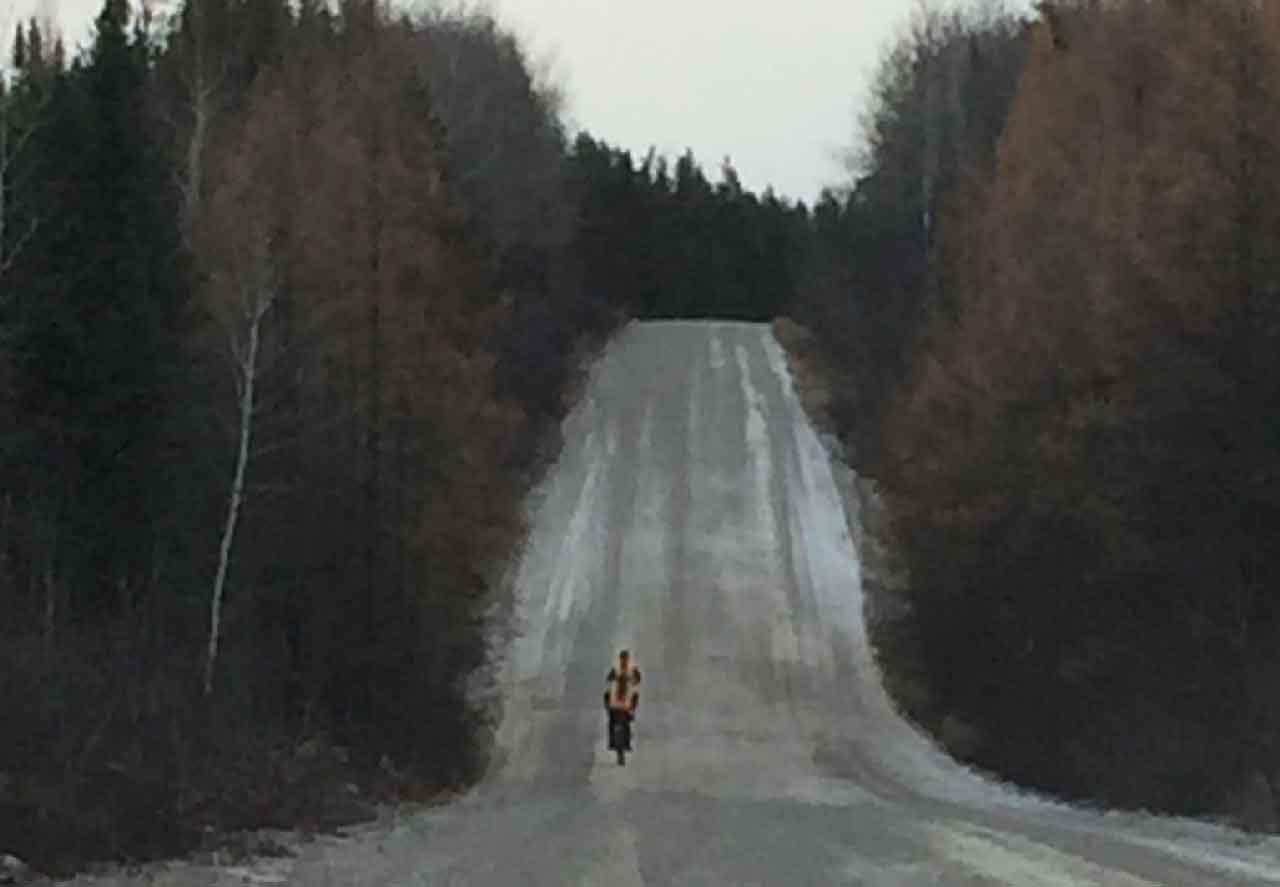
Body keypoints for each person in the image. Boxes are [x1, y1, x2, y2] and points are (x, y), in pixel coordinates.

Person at [604, 649, 641, 751]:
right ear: (620, 659)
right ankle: (611, 742)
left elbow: (638, 679)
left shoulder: (632, 668)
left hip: (627, 697)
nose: (624, 661)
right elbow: (609, 678)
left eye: (626, 659)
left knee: (627, 722)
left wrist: (633, 680)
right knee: (611, 721)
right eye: (622, 658)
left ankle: (627, 743)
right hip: (616, 699)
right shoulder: (616, 668)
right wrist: (614, 678)